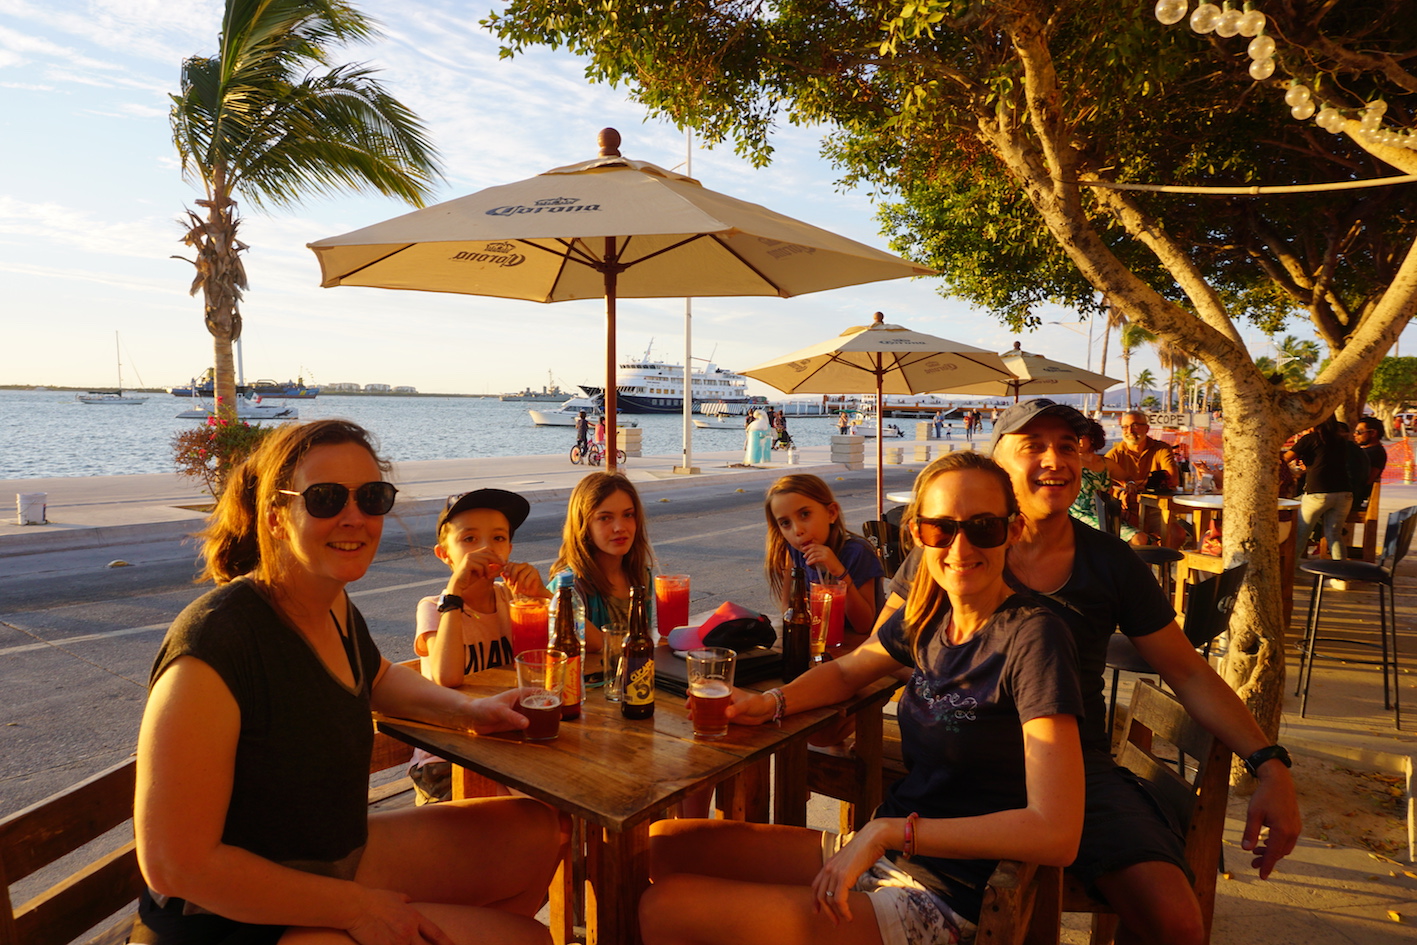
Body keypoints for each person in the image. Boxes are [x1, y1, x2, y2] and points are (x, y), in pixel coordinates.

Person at [881, 399, 1300, 945]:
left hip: (1078, 768)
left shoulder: (1110, 561)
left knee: (1175, 921)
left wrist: (1269, 763)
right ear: (997, 465)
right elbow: (882, 652)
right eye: (1033, 446)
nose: (1055, 459)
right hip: (962, 759)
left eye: (1068, 446)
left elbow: (1189, 672)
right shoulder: (949, 548)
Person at [133, 419, 562, 945]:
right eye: (326, 498)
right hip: (228, 916)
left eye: (372, 497)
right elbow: (175, 866)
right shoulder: (217, 643)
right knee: (528, 940)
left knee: (537, 832)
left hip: (326, 855)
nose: (355, 517)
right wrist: (357, 910)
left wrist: (471, 712)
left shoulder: (331, 603)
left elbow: (377, 676)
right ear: (275, 516)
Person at [640, 452, 1085, 944]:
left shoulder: (1034, 636)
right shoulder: (931, 613)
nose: (960, 547)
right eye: (940, 529)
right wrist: (771, 703)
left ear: (1013, 529)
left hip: (944, 894)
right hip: (887, 852)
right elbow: (849, 669)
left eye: (983, 527)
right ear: (917, 534)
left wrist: (891, 832)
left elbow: (1056, 833)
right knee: (663, 847)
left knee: (666, 908)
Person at [407, 489, 552, 805]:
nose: (486, 548)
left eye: (498, 538)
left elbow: (576, 649)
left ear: (509, 549)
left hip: (508, 745)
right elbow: (447, 677)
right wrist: (454, 592)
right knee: (527, 812)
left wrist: (542, 595)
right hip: (448, 757)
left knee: (560, 806)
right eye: (469, 539)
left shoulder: (515, 602)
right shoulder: (435, 607)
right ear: (444, 554)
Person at [763, 474, 884, 644]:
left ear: (831, 513)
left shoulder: (857, 552)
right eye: (785, 523)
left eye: (805, 514)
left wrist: (839, 572)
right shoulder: (794, 550)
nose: (797, 530)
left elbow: (863, 625)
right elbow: (788, 607)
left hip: (861, 645)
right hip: (817, 640)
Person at [549, 472, 655, 653]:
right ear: (584, 525)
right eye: (605, 518)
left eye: (628, 515)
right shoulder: (569, 586)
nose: (619, 527)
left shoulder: (641, 575)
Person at [1283, 416, 1356, 562]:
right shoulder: (1341, 441)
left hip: (1318, 493)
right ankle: (1341, 571)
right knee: (1334, 534)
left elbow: (1285, 459)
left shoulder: (1311, 439)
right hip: (1344, 493)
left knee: (1301, 534)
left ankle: (1290, 569)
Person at [1070, 418, 1143, 544]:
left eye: (1081, 437)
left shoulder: (1106, 464)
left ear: (1092, 438)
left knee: (1142, 539)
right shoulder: (1070, 463)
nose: (1077, 440)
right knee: (1138, 539)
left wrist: (1130, 484)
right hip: (1079, 516)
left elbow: (1127, 478)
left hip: (1105, 515)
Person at [1354, 416, 1388, 507]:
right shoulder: (1367, 451)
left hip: (1354, 497)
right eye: (1355, 431)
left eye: (1359, 432)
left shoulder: (1375, 453)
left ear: (1373, 433)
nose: (1355, 434)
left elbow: (1367, 480)